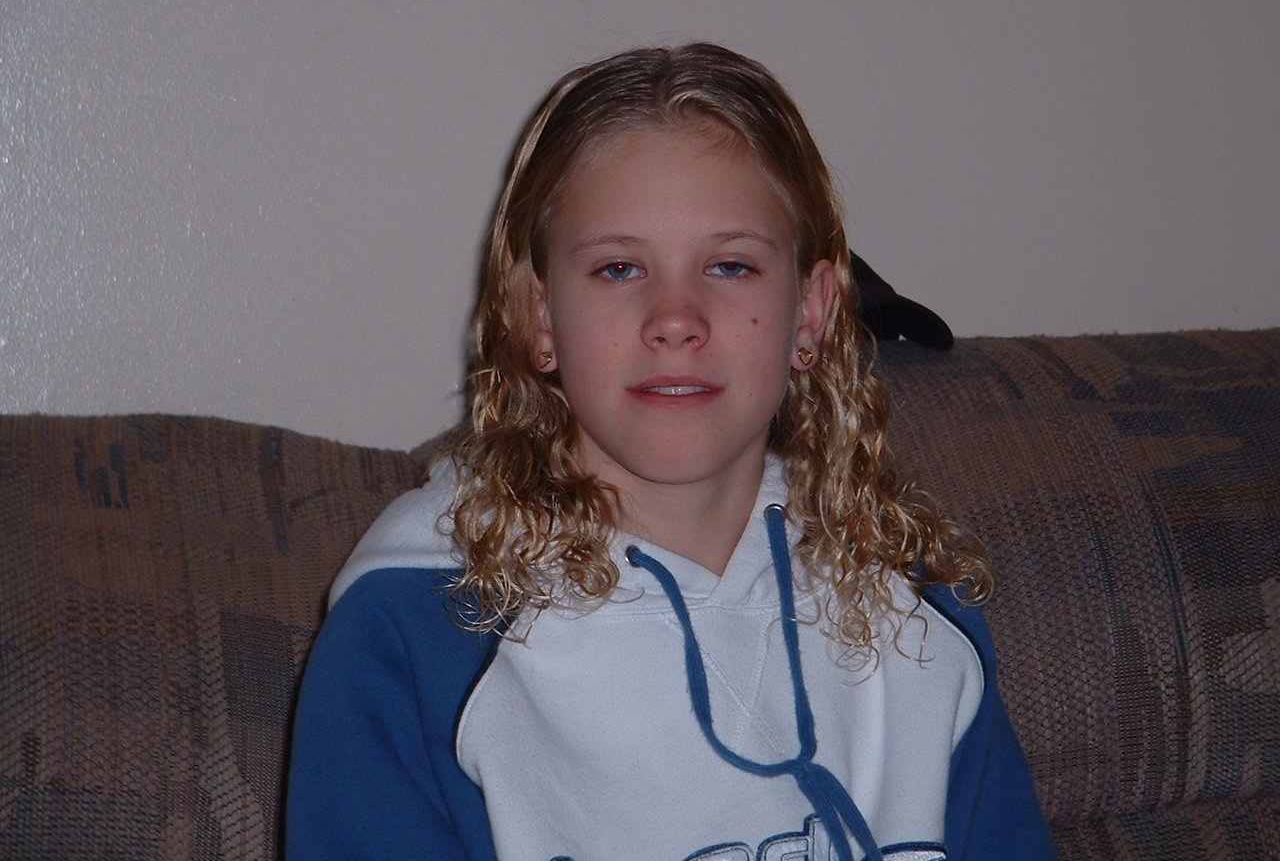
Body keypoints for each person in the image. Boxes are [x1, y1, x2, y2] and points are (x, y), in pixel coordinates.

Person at [286, 42, 1056, 861]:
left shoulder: (916, 611)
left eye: (730, 265)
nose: (676, 318)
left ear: (811, 313)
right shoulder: (415, 623)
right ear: (540, 316)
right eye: (620, 268)